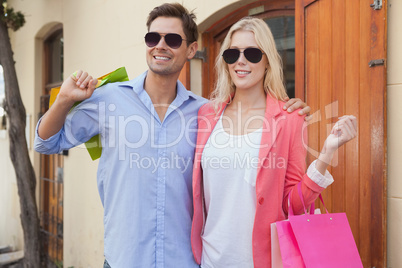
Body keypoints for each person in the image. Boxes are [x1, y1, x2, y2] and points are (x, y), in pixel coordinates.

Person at [34, 3, 311, 268]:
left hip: (185, 261)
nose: (160, 45)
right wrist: (63, 100)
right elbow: (45, 142)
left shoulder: (205, 114)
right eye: (153, 37)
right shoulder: (109, 98)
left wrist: (286, 111)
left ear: (191, 49)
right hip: (125, 259)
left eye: (173, 40)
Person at [191, 17, 357, 268]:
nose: (241, 61)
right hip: (210, 260)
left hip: (261, 261)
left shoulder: (289, 120)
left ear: (267, 60)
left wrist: (326, 153)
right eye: (233, 53)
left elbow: (294, 204)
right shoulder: (206, 115)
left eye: (253, 53)